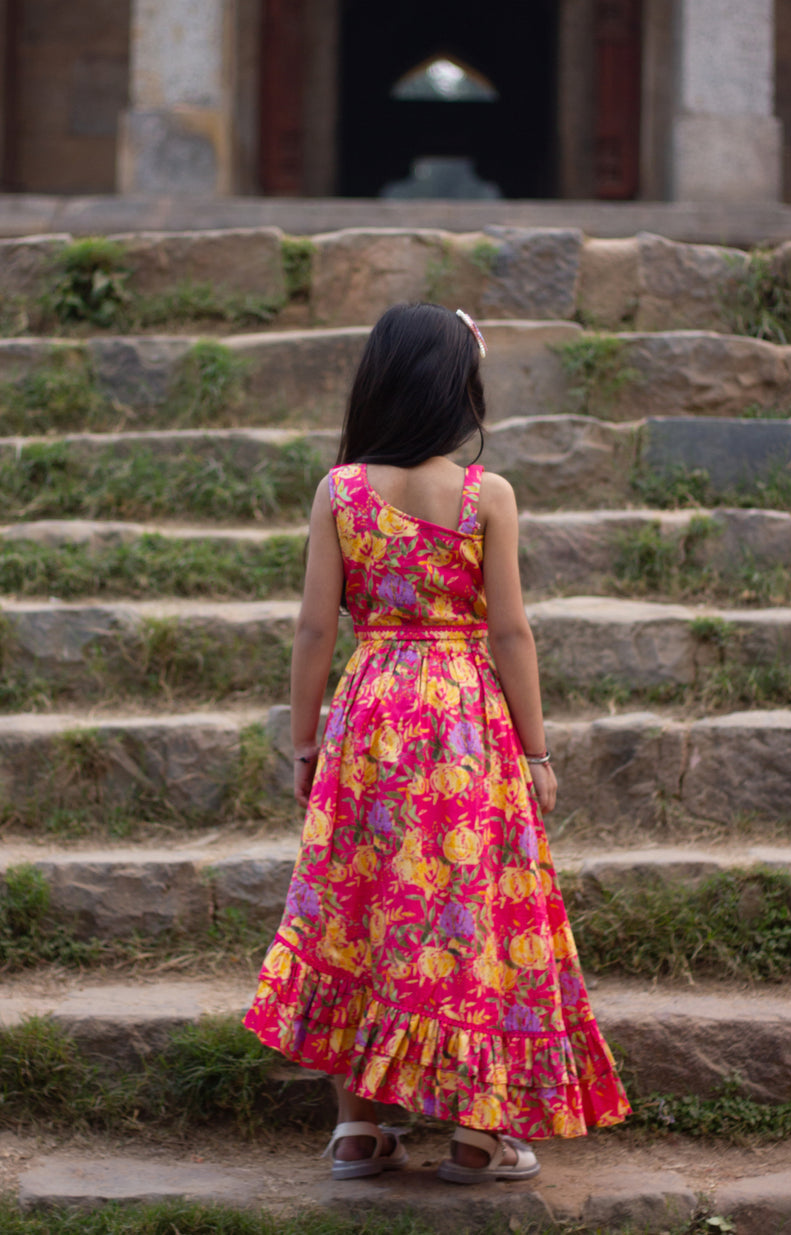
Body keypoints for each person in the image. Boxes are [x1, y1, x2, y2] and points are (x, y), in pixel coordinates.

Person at [244, 303, 631, 1183]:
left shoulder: (339, 491)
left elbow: (312, 631)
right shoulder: (484, 494)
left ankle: (354, 1129)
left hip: (369, 712)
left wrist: (304, 745)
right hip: (462, 721)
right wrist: (535, 755)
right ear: (459, 387)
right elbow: (512, 634)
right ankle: (473, 1133)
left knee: (361, 901)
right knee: (463, 913)